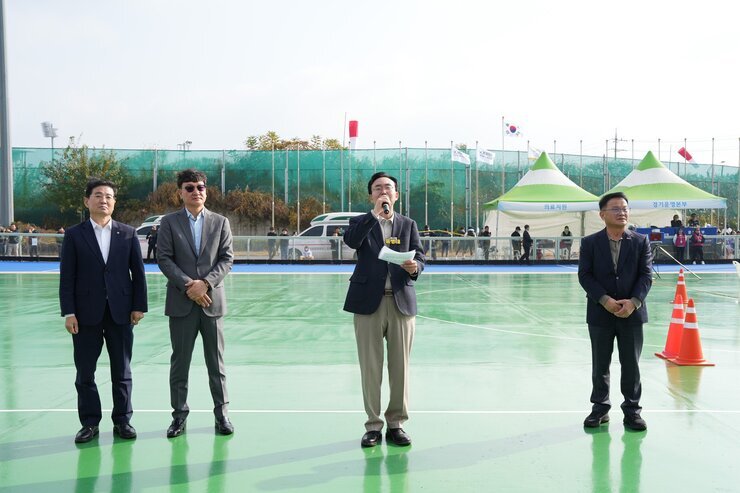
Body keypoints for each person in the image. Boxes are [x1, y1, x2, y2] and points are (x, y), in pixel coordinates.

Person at [59, 178, 148, 443]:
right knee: (85, 372)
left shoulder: (128, 233)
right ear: (87, 201)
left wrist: (138, 306)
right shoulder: (74, 234)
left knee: (122, 371)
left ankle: (123, 420)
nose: (103, 200)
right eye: (98, 195)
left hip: (121, 312)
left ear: (114, 202)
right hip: (85, 314)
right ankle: (89, 423)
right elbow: (67, 276)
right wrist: (69, 312)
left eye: (108, 196)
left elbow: (138, 274)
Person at [343, 171, 425, 448]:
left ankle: (396, 423)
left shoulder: (408, 224)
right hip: (368, 303)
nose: (383, 192)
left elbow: (420, 255)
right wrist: (374, 216)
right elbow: (352, 242)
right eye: (377, 188)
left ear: (396, 194)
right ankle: (373, 424)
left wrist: (415, 267)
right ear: (371, 196)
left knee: (400, 367)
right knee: (370, 367)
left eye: (388, 187)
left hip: (401, 301)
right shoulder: (360, 222)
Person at [157, 169, 235, 438]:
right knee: (180, 363)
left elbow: (226, 258)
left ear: (206, 191)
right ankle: (179, 416)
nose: (195, 191)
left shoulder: (221, 222)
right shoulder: (169, 222)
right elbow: (164, 258)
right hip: (181, 303)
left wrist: (206, 284)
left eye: (200, 187)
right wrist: (190, 285)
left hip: (212, 303)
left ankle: (222, 415)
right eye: (189, 187)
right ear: (180, 192)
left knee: (216, 363)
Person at [578, 192, 652, 432]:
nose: (622, 213)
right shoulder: (590, 243)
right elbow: (585, 276)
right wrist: (604, 300)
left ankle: (632, 411)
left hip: (632, 314)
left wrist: (634, 302)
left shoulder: (640, 241)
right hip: (600, 314)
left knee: (631, 365)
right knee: (600, 364)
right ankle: (600, 408)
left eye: (625, 208)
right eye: (616, 209)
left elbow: (646, 276)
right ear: (603, 215)